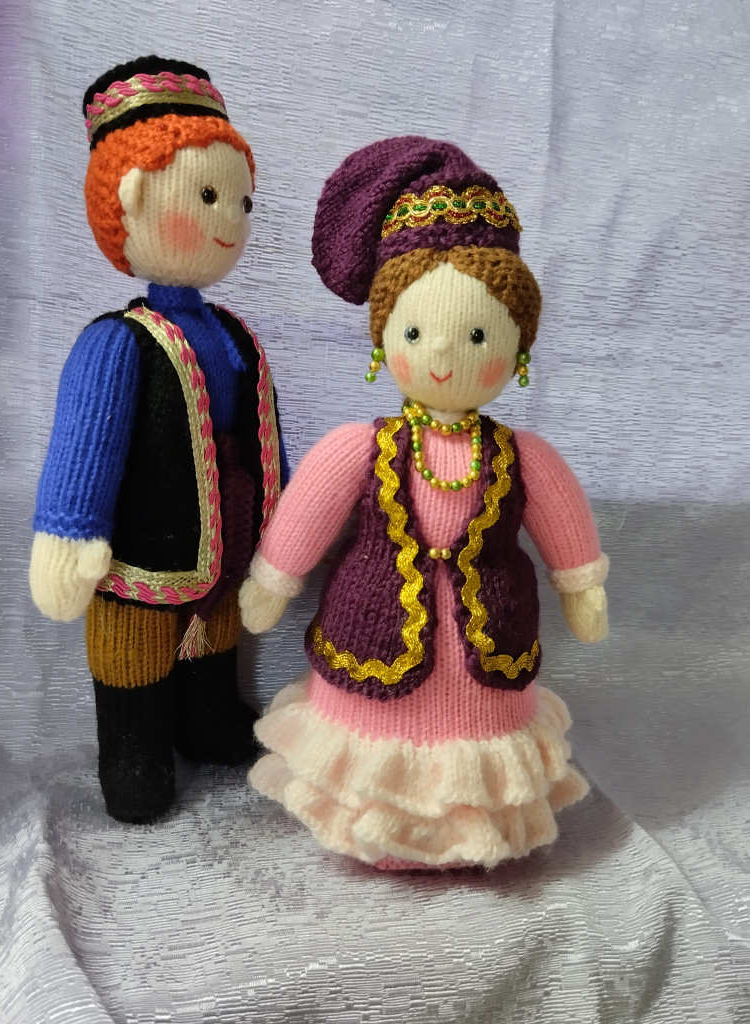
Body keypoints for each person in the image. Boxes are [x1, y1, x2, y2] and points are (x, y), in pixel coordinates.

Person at [239, 136, 607, 870]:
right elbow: (306, 515)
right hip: (370, 640)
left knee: (480, 728)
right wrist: (272, 580)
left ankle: (468, 831)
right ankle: (376, 830)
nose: (442, 356)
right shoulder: (360, 446)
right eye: (415, 332)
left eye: (477, 335)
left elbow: (565, 527)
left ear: (517, 347)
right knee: (369, 732)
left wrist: (582, 585)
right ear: (385, 339)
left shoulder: (522, 456)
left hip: (487, 651)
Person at [30, 56, 287, 824]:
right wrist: (66, 532)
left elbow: (263, 437)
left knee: (211, 648)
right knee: (133, 658)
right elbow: (84, 446)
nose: (230, 217)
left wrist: (282, 528)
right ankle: (133, 751)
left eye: (240, 200)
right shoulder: (116, 342)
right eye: (207, 197)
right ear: (133, 201)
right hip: (139, 557)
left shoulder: (234, 334)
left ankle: (207, 721)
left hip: (223, 551)